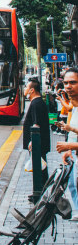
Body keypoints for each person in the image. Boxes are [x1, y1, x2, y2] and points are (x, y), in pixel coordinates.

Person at [55, 66, 78, 221]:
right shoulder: (75, 108)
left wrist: (69, 146)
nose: (68, 86)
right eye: (66, 83)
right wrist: (70, 151)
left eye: (73, 82)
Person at [22, 77, 50, 187]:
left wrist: (32, 142)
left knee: (40, 170)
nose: (24, 89)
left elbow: (36, 125)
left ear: (32, 90)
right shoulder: (37, 102)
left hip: (38, 144)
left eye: (26, 87)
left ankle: (40, 193)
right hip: (39, 144)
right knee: (40, 168)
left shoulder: (36, 104)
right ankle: (42, 192)